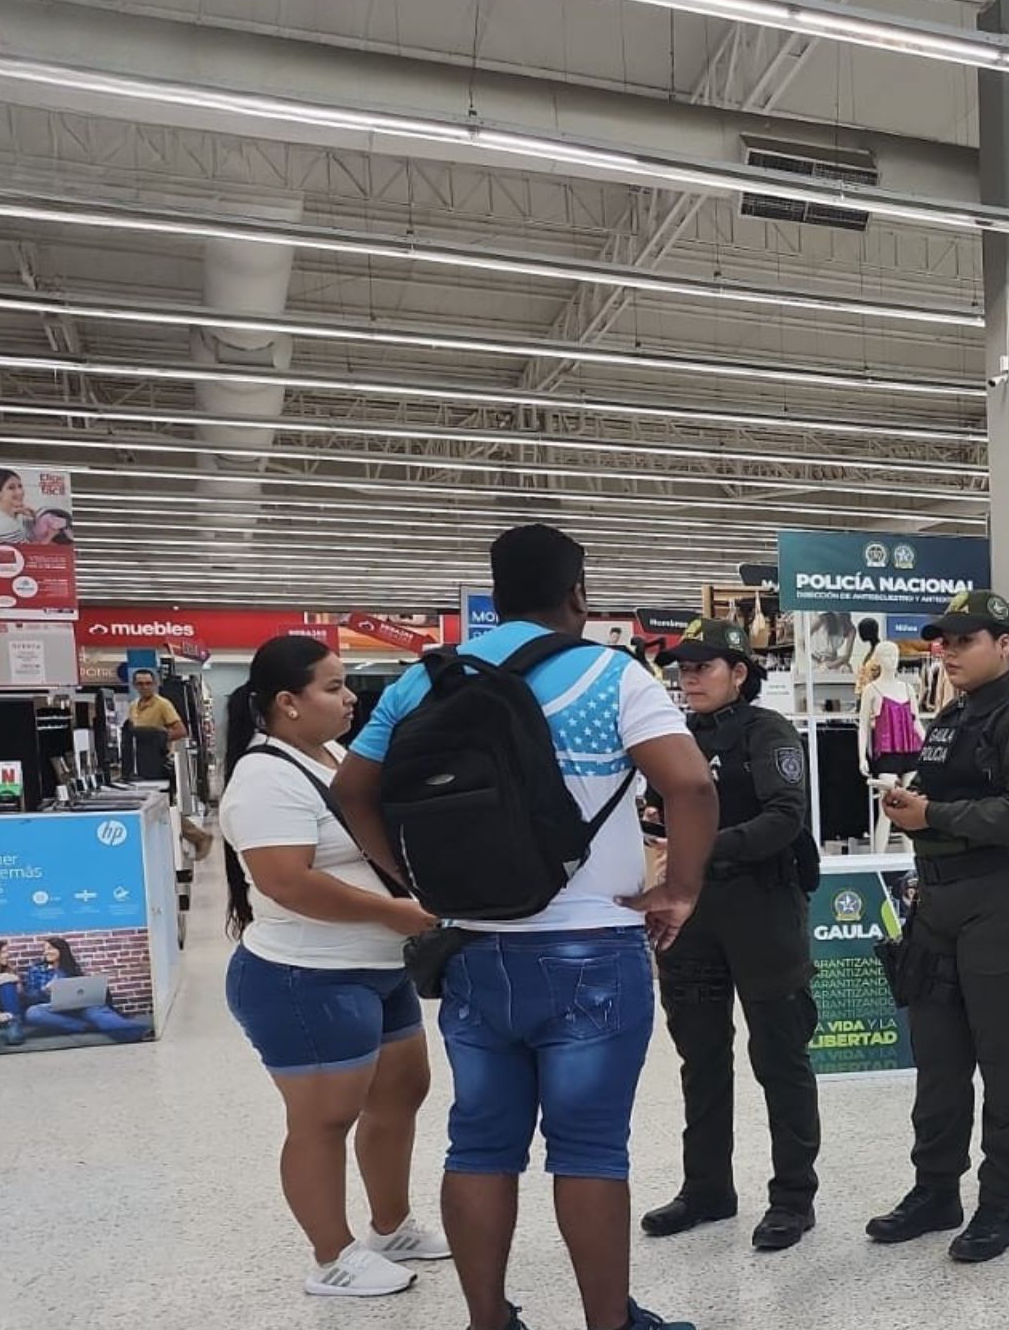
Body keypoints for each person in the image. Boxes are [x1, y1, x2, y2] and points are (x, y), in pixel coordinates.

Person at [336, 525, 719, 1330]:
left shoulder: (425, 680)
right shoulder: (613, 675)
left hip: (474, 945)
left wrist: (414, 881)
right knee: (590, 1149)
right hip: (592, 946)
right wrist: (679, 891)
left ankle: (488, 1320)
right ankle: (609, 1324)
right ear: (578, 593)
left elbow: (352, 791)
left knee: (479, 1143)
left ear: (497, 594)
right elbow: (689, 787)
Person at [218, 634, 446, 1298]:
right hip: (305, 976)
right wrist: (392, 913)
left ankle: (391, 1226)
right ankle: (331, 1257)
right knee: (324, 1119)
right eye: (333, 686)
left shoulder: (333, 757)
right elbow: (287, 882)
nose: (350, 699)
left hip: (379, 970)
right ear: (287, 702)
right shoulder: (264, 778)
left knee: (401, 1093)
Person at [867, 589, 1009, 1264]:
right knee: (939, 1060)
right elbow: (954, 796)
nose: (948, 652)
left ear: (1004, 645)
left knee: (1008, 1063)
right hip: (942, 904)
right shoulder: (953, 715)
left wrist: (933, 817)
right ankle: (935, 1191)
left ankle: (1001, 1206)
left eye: (964, 640)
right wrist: (916, 808)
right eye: (944, 642)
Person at [638, 617, 824, 1251]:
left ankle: (793, 1197)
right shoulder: (675, 737)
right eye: (684, 668)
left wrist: (701, 846)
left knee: (780, 1056)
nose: (690, 678)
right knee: (701, 1057)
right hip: (693, 915)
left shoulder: (767, 732)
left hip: (762, 909)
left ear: (739, 672)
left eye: (704, 667)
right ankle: (707, 1188)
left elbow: (785, 817)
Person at [130, 667, 216, 859]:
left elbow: (181, 730)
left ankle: (198, 836)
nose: (145, 687)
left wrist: (158, 737)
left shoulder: (163, 705)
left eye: (148, 683)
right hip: (141, 762)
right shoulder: (134, 706)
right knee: (155, 807)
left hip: (159, 762)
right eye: (140, 684)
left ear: (155, 684)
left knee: (163, 806)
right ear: (134, 685)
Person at [18, 937, 149, 1042]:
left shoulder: (70, 968)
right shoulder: (37, 970)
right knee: (33, 1013)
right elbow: (30, 997)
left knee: (96, 1011)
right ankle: (90, 1026)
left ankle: (141, 1032)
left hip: (78, 1006)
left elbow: (81, 990)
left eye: (51, 948)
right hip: (53, 1008)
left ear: (61, 950)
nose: (46, 952)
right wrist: (45, 990)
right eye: (45, 949)